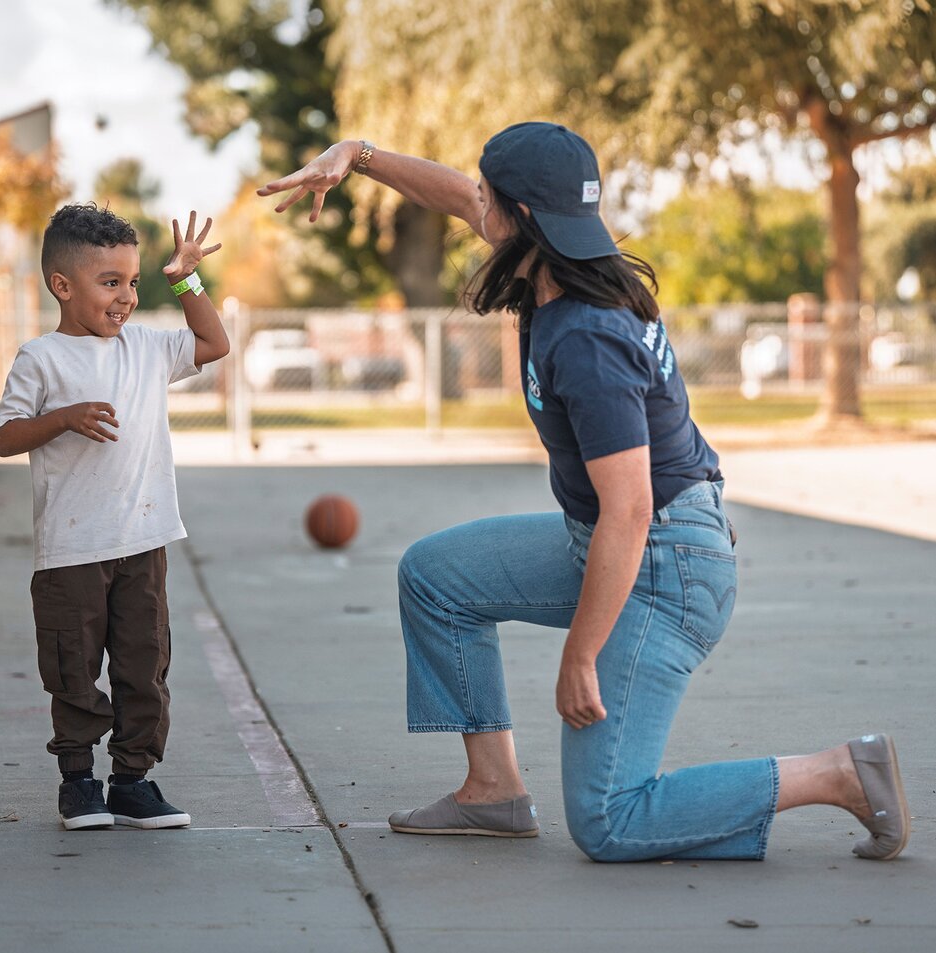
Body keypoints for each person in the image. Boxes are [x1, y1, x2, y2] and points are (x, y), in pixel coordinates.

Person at [258, 123, 909, 862]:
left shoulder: (585, 335)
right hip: (618, 538)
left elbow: (629, 509)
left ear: (523, 217)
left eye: (487, 197)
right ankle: (493, 791)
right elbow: (451, 194)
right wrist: (359, 157)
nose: (475, 204)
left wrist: (581, 652)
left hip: (664, 568)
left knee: (609, 819)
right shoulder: (559, 257)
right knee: (436, 577)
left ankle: (837, 773)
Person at [0, 204, 229, 831]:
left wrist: (186, 279)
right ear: (62, 286)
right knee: (74, 668)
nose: (125, 297)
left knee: (143, 665)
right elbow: (5, 437)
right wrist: (64, 417)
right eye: (110, 282)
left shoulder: (147, 347)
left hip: (144, 542)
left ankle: (132, 780)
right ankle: (78, 782)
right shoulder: (41, 359)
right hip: (71, 550)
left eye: (131, 281)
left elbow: (214, 342)